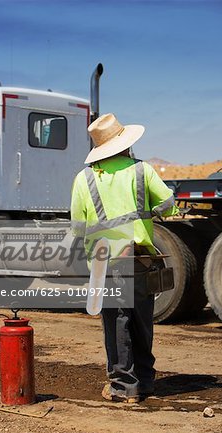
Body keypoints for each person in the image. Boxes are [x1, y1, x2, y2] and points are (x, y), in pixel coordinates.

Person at [71, 113, 178, 403]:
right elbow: (168, 204)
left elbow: (78, 227)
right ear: (125, 144)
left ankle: (122, 385)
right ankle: (144, 382)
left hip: (105, 261)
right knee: (141, 320)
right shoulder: (142, 170)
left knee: (116, 321)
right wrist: (151, 213)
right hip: (140, 258)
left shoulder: (84, 179)